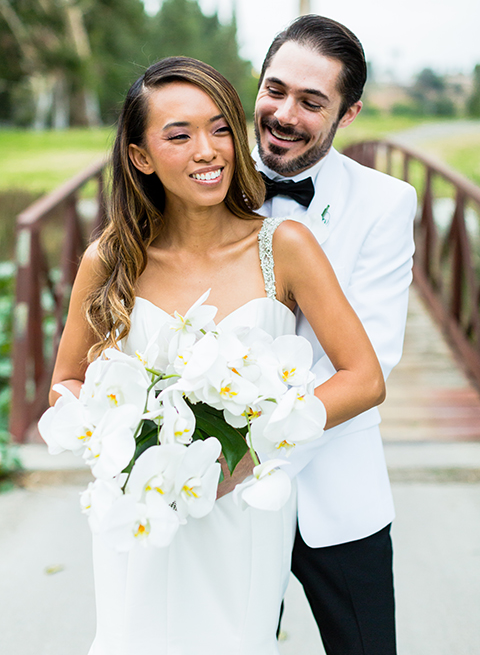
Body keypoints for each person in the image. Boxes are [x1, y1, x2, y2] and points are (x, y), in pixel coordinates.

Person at [49, 56, 385, 655]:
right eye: (179, 136)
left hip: (241, 513)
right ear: (140, 156)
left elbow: (364, 378)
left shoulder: (284, 246)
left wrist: (251, 447)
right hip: (144, 513)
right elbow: (67, 382)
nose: (208, 150)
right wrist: (116, 440)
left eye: (221, 128)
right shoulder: (109, 259)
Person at [253, 14, 417, 655]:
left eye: (312, 101)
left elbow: (371, 360)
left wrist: (255, 447)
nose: (285, 113)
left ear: (347, 114)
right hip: (218, 493)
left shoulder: (386, 203)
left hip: (336, 484)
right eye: (275, 90)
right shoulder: (203, 183)